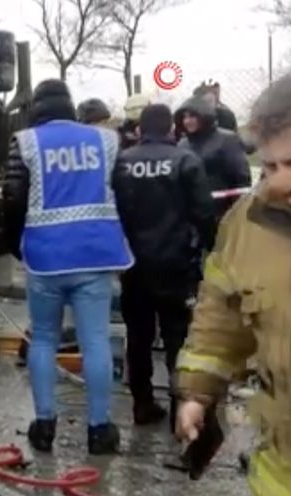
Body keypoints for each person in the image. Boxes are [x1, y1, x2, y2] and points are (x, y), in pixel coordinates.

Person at [175, 72, 291, 496]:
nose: (277, 182)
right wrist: (198, 395)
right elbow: (221, 318)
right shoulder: (249, 223)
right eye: (272, 166)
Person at [2, 79, 133, 455]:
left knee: (43, 338)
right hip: (95, 254)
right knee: (94, 340)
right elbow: (123, 193)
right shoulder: (105, 141)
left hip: (46, 257)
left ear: (37, 109)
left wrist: (16, 246)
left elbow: (12, 198)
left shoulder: (25, 142)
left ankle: (44, 426)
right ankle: (100, 429)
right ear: (70, 106)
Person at [115, 104, 216, 431]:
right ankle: (179, 413)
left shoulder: (123, 162)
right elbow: (204, 214)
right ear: (173, 130)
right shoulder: (186, 160)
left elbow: (114, 211)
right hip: (176, 264)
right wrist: (211, 252)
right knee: (178, 340)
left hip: (133, 264)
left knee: (139, 337)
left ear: (140, 130)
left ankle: (142, 403)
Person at [175, 95, 252, 220]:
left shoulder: (227, 139)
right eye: (184, 117)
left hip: (222, 212)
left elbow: (241, 177)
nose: (187, 121)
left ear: (204, 116)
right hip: (191, 214)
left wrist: (236, 212)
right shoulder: (182, 144)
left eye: (192, 116)